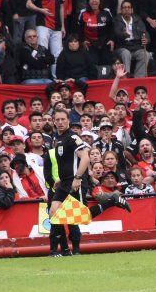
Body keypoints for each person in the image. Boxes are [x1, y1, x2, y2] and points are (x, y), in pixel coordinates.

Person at [43, 108, 130, 256]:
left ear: (68, 121)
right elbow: (67, 163)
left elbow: (85, 157)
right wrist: (59, 179)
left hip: (75, 183)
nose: (60, 122)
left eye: (63, 119)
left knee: (83, 217)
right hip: (64, 183)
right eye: (57, 120)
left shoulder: (73, 138)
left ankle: (112, 200)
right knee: (53, 213)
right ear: (53, 121)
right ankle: (63, 250)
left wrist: (77, 178)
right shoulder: (58, 139)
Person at [113, 1, 150, 78]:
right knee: (126, 54)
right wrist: (123, 35)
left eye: (128, 7)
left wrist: (146, 39)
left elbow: (145, 32)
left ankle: (139, 78)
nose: (127, 9)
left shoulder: (137, 19)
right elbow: (116, 34)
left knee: (145, 54)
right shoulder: (116, 20)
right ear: (121, 10)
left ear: (132, 10)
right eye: (124, 7)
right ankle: (126, 76)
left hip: (136, 46)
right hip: (122, 47)